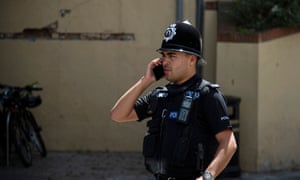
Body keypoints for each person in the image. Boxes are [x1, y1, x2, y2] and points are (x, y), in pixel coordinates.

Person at [111, 20, 237, 180]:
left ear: (192, 59)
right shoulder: (161, 95)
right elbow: (118, 115)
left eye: (172, 55)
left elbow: (229, 142)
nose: (165, 61)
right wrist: (146, 80)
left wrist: (207, 177)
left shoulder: (207, 95)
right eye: (163, 55)